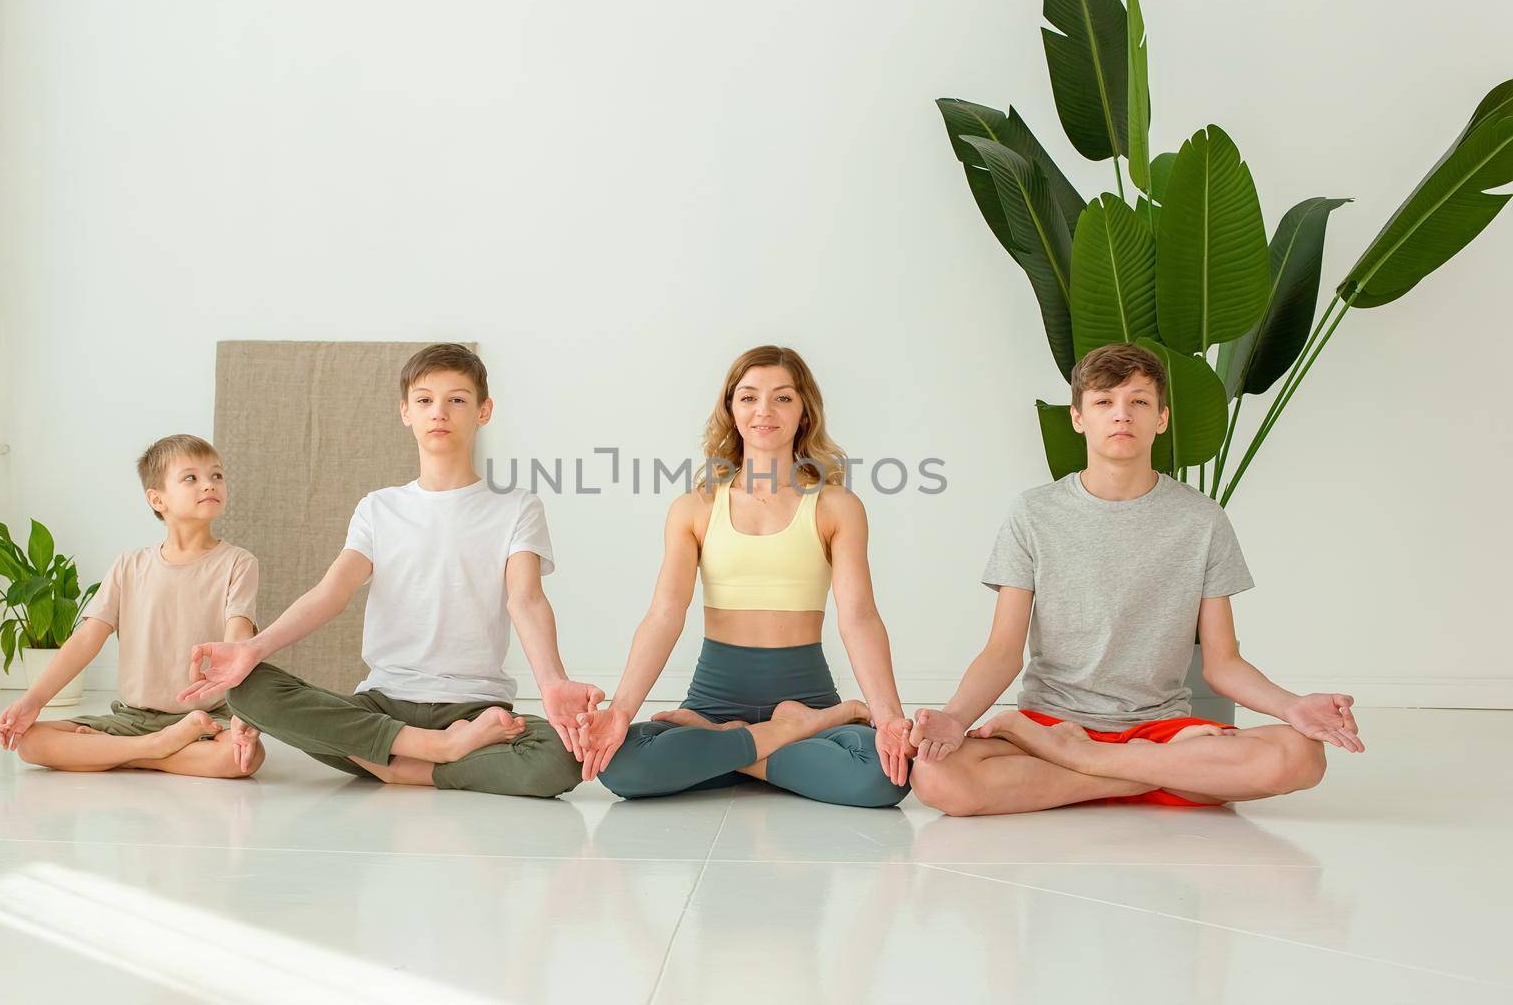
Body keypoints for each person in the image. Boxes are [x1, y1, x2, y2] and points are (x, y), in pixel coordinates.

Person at [908, 343, 1363, 816]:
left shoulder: (1202, 520)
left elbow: (1222, 662)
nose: (1121, 415)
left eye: (1139, 402)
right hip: (1050, 722)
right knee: (938, 776)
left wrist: (1293, 708)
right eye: (1104, 402)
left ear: (1162, 418)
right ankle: (1147, 777)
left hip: (1159, 728)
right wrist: (954, 718)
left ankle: (1087, 763)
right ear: (1078, 418)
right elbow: (1002, 651)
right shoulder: (1034, 513)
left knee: (1301, 757)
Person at [178, 343, 596, 797]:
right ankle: (436, 750)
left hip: (475, 711)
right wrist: (252, 650)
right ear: (405, 413)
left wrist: (552, 683)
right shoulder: (378, 508)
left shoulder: (517, 508)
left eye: (456, 399)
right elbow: (331, 592)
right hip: (380, 706)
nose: (439, 412)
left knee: (562, 756)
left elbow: (526, 599)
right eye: (424, 400)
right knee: (245, 689)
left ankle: (404, 766)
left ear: (483, 411)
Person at [578, 345, 913, 808]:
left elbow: (858, 616)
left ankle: (742, 742)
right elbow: (663, 615)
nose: (764, 411)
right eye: (749, 397)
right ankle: (788, 736)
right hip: (714, 700)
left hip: (808, 695)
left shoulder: (836, 506)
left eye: (782, 398)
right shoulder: (694, 508)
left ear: (804, 412)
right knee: (621, 765)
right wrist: (619, 711)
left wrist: (888, 715)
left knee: (885, 778)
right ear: (731, 410)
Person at [0, 434, 265, 777]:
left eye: (217, 475)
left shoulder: (238, 563)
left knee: (242, 758)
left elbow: (238, 641)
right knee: (31, 742)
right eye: (190, 478)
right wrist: (32, 701)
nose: (208, 485)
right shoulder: (129, 566)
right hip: (133, 718)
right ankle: (154, 747)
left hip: (206, 718)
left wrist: (243, 711)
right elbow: (85, 640)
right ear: (157, 499)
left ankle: (120, 754)